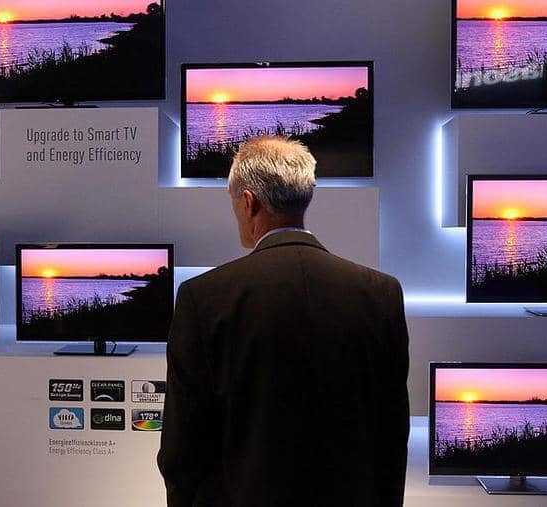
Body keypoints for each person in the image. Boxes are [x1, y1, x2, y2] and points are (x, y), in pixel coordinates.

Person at [158, 136, 410, 507]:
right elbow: (391, 436)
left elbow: (183, 448)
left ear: (249, 202)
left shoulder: (203, 297)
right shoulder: (381, 294)